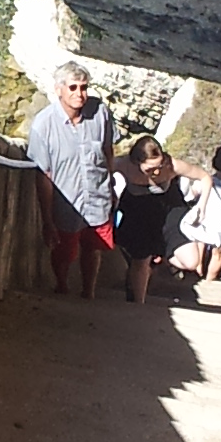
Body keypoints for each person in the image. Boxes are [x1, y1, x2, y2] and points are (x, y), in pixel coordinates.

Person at [26, 57, 116, 296]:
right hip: (66, 202)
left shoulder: (100, 113)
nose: (79, 93)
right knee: (64, 250)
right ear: (59, 90)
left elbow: (108, 151)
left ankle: (89, 291)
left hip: (97, 197)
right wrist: (47, 218)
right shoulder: (43, 125)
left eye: (84, 87)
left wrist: (112, 187)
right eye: (73, 87)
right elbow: (43, 174)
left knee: (94, 247)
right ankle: (62, 286)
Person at [111, 135, 182, 304]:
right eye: (150, 167)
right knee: (138, 258)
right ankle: (137, 297)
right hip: (133, 212)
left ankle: (137, 295)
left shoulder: (169, 166)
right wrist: (109, 192)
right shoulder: (122, 164)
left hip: (157, 214)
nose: (155, 171)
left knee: (144, 260)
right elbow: (103, 169)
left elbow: (201, 175)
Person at [168, 142, 221, 285]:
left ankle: (197, 275)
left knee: (199, 246)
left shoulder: (205, 180)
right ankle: (209, 282)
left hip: (203, 222)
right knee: (218, 255)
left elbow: (191, 195)